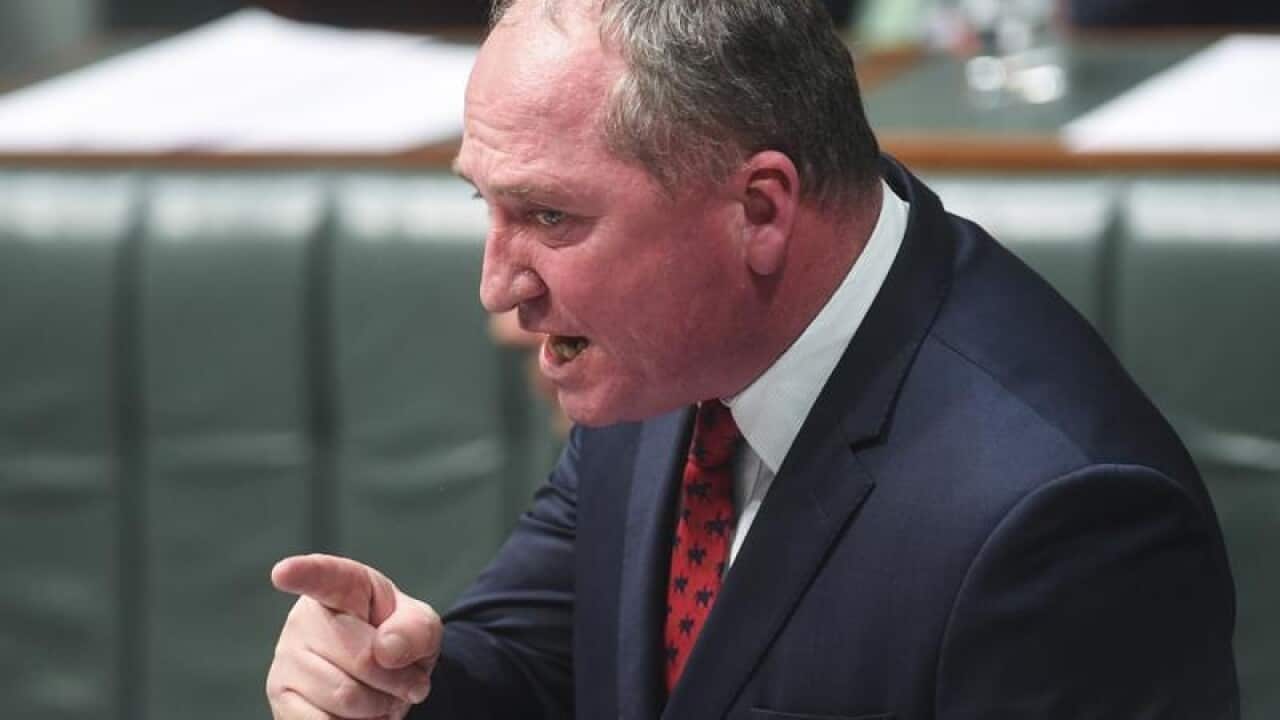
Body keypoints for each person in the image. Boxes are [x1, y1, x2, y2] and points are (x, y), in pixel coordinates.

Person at [265, 0, 1239, 718]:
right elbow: (543, 668)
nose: (497, 286)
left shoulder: (1062, 521)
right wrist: (391, 682)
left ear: (760, 210)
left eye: (550, 216)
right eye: (488, 205)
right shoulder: (669, 354)